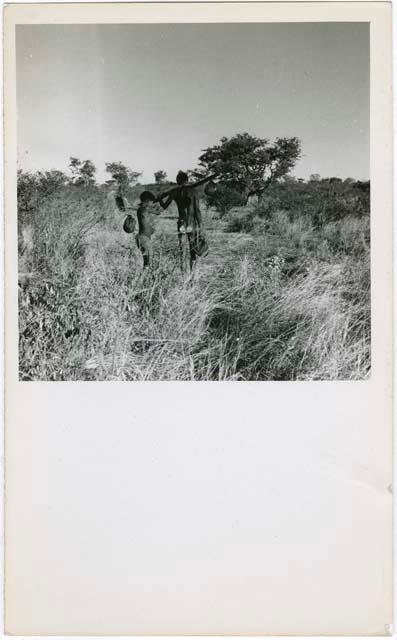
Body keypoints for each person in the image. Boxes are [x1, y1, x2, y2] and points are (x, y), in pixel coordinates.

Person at [157, 171, 215, 272]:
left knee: (182, 249)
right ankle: (192, 273)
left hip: (181, 223)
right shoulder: (193, 191)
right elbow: (197, 211)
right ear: (187, 180)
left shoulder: (174, 192)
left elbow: (164, 206)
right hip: (191, 224)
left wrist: (159, 198)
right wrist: (201, 227)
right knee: (193, 249)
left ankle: (183, 271)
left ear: (177, 181)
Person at [135, 190, 162, 268]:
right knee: (149, 263)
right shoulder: (144, 209)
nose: (152, 204)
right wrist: (159, 201)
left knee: (147, 262)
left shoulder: (142, 209)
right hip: (144, 239)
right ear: (147, 201)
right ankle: (145, 279)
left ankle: (144, 279)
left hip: (143, 238)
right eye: (151, 202)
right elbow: (159, 211)